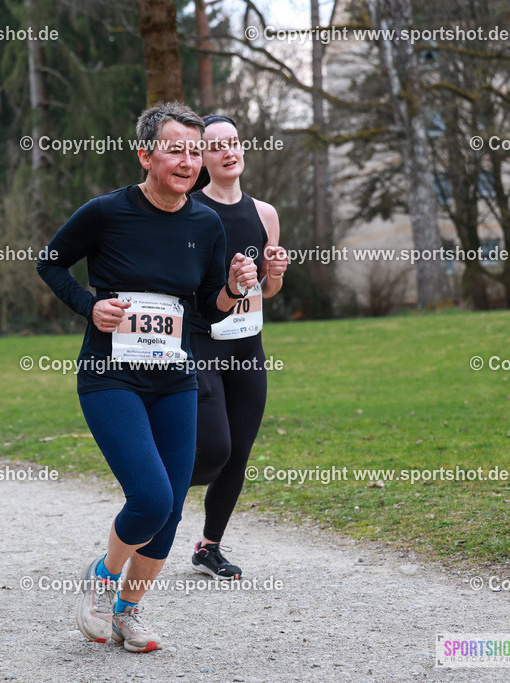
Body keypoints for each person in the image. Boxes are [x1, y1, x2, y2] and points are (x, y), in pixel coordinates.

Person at [37, 102, 257, 653]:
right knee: (152, 497)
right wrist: (90, 306)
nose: (188, 160)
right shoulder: (107, 213)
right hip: (111, 376)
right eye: (175, 149)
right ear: (145, 155)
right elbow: (50, 262)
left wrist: (234, 288)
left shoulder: (205, 223)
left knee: (172, 508)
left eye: (194, 150)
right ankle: (101, 578)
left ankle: (128, 614)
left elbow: (206, 312)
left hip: (174, 378)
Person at [187, 115, 288, 579]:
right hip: (202, 341)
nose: (229, 151)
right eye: (217, 146)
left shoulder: (264, 213)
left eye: (234, 143)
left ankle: (209, 546)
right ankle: (149, 498)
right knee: (215, 447)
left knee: (240, 449)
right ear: (203, 157)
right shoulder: (189, 209)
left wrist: (277, 272)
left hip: (248, 343)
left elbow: (268, 291)